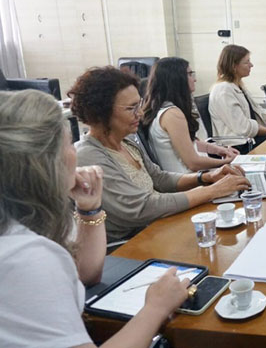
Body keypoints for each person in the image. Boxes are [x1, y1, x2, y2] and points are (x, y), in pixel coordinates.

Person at [0, 89, 191, 347]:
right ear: (44, 162)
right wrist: (156, 307)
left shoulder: (24, 224)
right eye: (69, 144)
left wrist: (89, 208)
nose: (75, 153)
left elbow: (86, 274)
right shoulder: (26, 257)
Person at [70, 67, 251, 242]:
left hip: (155, 227)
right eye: (131, 108)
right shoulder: (88, 156)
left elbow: (158, 178)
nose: (140, 113)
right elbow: (142, 207)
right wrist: (213, 190)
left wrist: (205, 177)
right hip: (128, 243)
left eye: (139, 105)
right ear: (101, 112)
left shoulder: (126, 142)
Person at [141, 57, 239, 173]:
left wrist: (218, 150)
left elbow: (186, 143)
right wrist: (226, 162)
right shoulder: (172, 114)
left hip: (192, 176)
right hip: (190, 179)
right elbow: (193, 163)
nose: (194, 79)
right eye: (190, 74)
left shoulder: (162, 108)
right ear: (176, 79)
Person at [210, 45, 266, 153]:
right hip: (238, 147)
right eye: (246, 62)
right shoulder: (223, 90)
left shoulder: (237, 85)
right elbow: (244, 128)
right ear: (234, 66)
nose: (251, 65)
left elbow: (257, 111)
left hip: (251, 140)